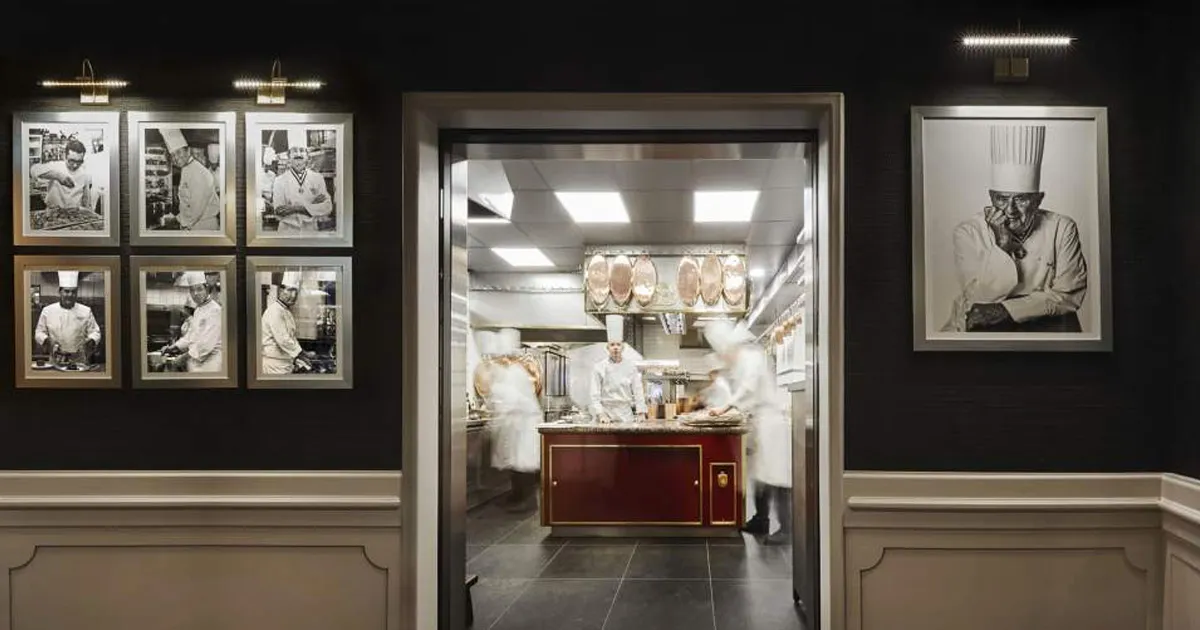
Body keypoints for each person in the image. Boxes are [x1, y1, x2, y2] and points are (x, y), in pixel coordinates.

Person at [943, 125, 1089, 333]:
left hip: (1046, 327)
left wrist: (1006, 310)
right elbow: (980, 299)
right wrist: (1001, 245)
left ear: (1038, 200)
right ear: (991, 197)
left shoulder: (1062, 227)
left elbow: (1069, 294)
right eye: (1001, 199)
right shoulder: (968, 231)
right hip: (976, 327)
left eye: (1020, 199)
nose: (1010, 210)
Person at [705, 320, 792, 545]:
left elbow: (747, 389)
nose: (724, 358)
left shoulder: (751, 357)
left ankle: (787, 529)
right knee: (760, 475)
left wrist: (725, 408)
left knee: (776, 478)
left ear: (730, 348)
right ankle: (760, 520)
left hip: (771, 423)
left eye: (724, 353)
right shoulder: (741, 359)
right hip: (759, 422)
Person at [484, 329, 543, 512]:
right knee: (516, 463)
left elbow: (510, 402)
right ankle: (516, 496)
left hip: (523, 424)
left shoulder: (515, 373)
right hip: (517, 424)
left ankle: (527, 500)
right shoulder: (508, 372)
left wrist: (492, 423)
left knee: (522, 463)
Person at [271, 130, 333, 234]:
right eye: (294, 151)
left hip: (311, 231)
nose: (298, 154)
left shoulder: (317, 178)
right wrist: (311, 205)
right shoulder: (279, 181)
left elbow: (327, 207)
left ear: (307, 156)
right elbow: (279, 210)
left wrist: (295, 208)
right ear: (289, 157)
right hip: (287, 231)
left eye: (302, 150)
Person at [589, 315, 647, 423]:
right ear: (607, 348)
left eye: (618, 345)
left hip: (626, 414)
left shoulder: (631, 367)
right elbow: (594, 394)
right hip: (606, 414)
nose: (615, 347)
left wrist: (641, 413)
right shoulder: (599, 367)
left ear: (623, 347)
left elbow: (638, 390)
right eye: (612, 345)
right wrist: (601, 414)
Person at [161, 272, 223, 373]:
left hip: (210, 365)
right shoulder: (198, 310)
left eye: (199, 289)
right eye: (192, 290)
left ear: (206, 289)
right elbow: (191, 336)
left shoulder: (215, 310)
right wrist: (174, 347)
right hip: (196, 364)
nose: (195, 294)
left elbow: (206, 345)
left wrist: (184, 357)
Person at [161, 128, 221, 231]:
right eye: (173, 155)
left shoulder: (198, 172)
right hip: (193, 224)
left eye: (178, 152)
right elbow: (187, 202)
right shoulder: (186, 169)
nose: (176, 158)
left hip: (203, 226)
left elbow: (196, 209)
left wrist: (177, 220)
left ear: (188, 150)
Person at [34, 271, 101, 364]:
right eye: (66, 291)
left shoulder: (86, 311)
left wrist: (90, 342)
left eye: (73, 292)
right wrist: (48, 342)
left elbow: (95, 332)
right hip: (56, 360)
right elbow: (39, 332)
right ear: (59, 292)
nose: (70, 295)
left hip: (79, 361)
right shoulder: (48, 311)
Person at [261, 271, 316, 374]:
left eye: (296, 291)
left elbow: (291, 338)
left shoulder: (286, 311)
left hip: (284, 363)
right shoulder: (274, 311)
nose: (294, 295)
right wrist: (302, 354)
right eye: (290, 290)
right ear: (280, 291)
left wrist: (298, 357)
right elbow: (283, 340)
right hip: (274, 365)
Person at [31, 138, 93, 215]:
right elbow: (33, 170)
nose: (75, 165)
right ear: (65, 156)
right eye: (72, 160)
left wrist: (89, 213)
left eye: (79, 161)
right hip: (53, 214)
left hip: (74, 215)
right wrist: (57, 176)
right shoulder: (56, 166)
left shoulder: (85, 174)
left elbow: (86, 199)